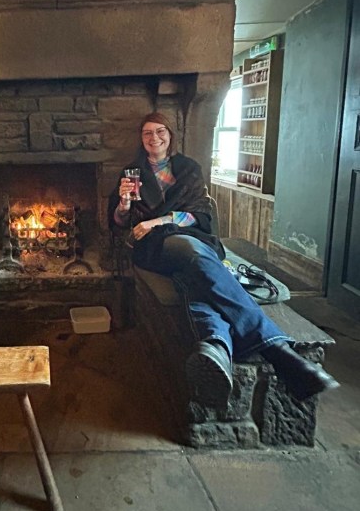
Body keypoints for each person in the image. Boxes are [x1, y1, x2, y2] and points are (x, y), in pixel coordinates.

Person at [109, 111, 340, 407]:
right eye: (147, 133)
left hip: (189, 236)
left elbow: (199, 214)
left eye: (160, 131)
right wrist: (125, 203)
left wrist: (159, 220)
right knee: (194, 257)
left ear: (170, 135)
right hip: (153, 247)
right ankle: (278, 349)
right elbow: (118, 222)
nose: (154, 138)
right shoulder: (132, 171)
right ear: (141, 140)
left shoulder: (188, 169)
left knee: (193, 270)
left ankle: (215, 345)